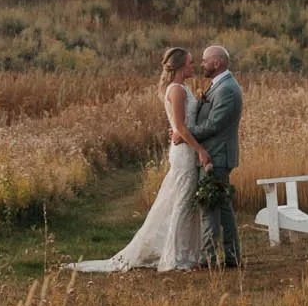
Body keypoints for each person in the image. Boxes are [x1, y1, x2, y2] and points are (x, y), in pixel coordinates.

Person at [71, 45, 211, 273]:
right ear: (179, 66)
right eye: (190, 63)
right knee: (183, 203)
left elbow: (181, 126)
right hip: (185, 152)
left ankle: (186, 252)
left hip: (184, 148)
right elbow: (182, 128)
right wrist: (200, 150)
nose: (193, 66)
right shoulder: (176, 90)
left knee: (185, 201)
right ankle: (175, 258)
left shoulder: (182, 88)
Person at [192, 43, 244, 268]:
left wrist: (184, 132)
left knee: (210, 206)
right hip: (217, 154)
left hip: (217, 156)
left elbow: (214, 124)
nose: (202, 64)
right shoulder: (219, 86)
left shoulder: (227, 90)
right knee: (222, 207)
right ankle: (232, 257)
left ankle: (209, 259)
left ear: (217, 62)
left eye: (204, 60)